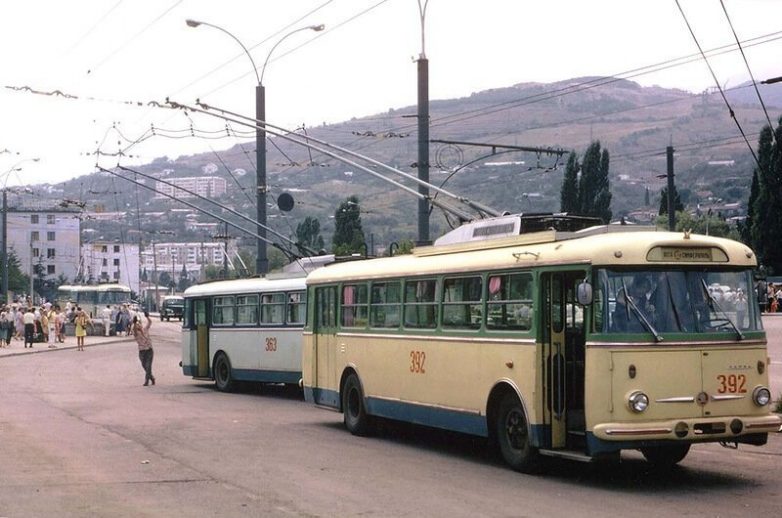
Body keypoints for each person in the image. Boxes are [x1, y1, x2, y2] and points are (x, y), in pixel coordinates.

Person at [131, 312, 155, 386]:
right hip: (142, 351)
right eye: (137, 325)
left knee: (148, 366)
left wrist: (147, 316)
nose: (139, 325)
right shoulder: (136, 333)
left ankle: (147, 380)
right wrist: (134, 323)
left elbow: (150, 322)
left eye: (139, 324)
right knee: (144, 366)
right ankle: (151, 377)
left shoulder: (145, 330)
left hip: (149, 350)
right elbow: (135, 329)